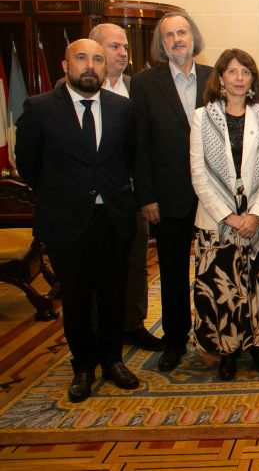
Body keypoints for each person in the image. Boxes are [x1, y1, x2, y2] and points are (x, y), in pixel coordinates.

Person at [16, 39, 139, 402]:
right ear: (64, 65)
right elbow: (29, 165)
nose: (90, 65)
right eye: (81, 58)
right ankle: (83, 365)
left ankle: (113, 359)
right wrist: (66, 193)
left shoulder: (122, 108)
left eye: (98, 59)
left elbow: (128, 158)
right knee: (77, 296)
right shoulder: (39, 108)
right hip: (66, 220)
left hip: (112, 217)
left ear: (106, 67)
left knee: (113, 292)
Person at [56, 24, 162, 351]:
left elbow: (142, 145)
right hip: (83, 202)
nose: (123, 54)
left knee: (133, 263)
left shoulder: (137, 86)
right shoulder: (68, 90)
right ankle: (93, 333)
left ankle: (132, 324)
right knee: (88, 272)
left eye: (125, 48)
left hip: (130, 195)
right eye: (114, 47)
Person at [189, 49, 259, 380]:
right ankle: (227, 351)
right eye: (232, 71)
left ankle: (258, 346)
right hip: (217, 223)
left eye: (245, 72)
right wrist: (229, 216)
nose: (239, 78)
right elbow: (198, 174)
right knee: (224, 289)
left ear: (253, 79)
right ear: (220, 78)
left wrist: (255, 215)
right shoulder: (202, 118)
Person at [131, 11, 213, 371]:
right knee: (173, 272)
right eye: (169, 35)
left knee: (214, 270)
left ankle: (214, 336)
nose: (177, 39)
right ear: (161, 44)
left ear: (193, 37)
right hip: (167, 195)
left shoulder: (215, 78)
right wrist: (146, 196)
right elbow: (140, 145)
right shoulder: (144, 84)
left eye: (183, 32)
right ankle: (175, 340)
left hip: (214, 194)